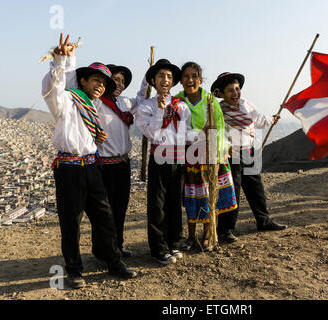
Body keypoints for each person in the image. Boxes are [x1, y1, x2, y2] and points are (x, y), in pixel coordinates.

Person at [41, 34, 135, 288]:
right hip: (70, 168)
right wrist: (62, 59)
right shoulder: (68, 102)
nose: (101, 86)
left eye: (104, 83)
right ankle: (74, 270)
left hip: (92, 166)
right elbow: (53, 88)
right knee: (71, 222)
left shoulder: (92, 108)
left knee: (104, 217)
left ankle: (114, 261)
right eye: (96, 80)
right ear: (82, 80)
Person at [211, 72, 288, 243]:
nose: (235, 93)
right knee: (232, 191)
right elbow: (216, 132)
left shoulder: (246, 105)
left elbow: (258, 120)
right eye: (230, 90)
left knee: (255, 187)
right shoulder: (218, 109)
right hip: (231, 154)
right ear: (222, 93)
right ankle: (225, 229)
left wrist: (271, 120)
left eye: (237, 89)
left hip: (248, 150)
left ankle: (264, 220)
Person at [175, 62, 238, 251]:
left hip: (209, 155)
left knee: (209, 196)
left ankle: (207, 234)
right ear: (181, 80)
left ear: (200, 80)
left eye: (194, 76)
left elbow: (219, 128)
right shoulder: (177, 101)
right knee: (192, 197)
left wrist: (215, 155)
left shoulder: (210, 101)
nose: (190, 80)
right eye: (186, 76)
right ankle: (191, 235)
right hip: (188, 157)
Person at [135, 59, 191, 265]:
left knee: (175, 203)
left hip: (178, 158)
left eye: (168, 77)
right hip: (159, 158)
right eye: (160, 76)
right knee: (157, 205)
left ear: (173, 81)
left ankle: (174, 241)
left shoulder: (181, 106)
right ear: (152, 80)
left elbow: (185, 133)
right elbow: (152, 133)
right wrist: (159, 111)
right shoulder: (146, 107)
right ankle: (158, 248)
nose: (165, 80)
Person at [92, 64, 148, 259]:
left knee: (120, 208)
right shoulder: (96, 102)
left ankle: (118, 246)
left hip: (123, 164)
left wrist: (147, 76)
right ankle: (102, 251)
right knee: (103, 211)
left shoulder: (124, 102)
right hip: (103, 165)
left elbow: (141, 98)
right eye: (116, 79)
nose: (120, 84)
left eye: (123, 81)